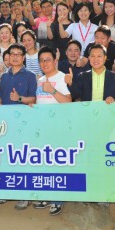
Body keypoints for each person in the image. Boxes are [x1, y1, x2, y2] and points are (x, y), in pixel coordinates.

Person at [0, 43, 37, 210]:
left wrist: (19, 98)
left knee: (22, 159)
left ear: (23, 57)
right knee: (7, 158)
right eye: (12, 54)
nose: (14, 57)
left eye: (18, 54)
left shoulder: (30, 76)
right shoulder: (5, 76)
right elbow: (0, 98)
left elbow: (33, 99)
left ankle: (24, 196)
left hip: (23, 124)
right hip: (6, 124)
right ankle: (7, 192)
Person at [32, 46, 72, 215]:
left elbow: (69, 103)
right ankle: (46, 196)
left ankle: (58, 199)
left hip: (58, 128)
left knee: (58, 164)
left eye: (48, 60)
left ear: (55, 61)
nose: (44, 63)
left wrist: (53, 91)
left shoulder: (63, 77)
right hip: (43, 128)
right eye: (41, 60)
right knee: (45, 163)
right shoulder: (40, 80)